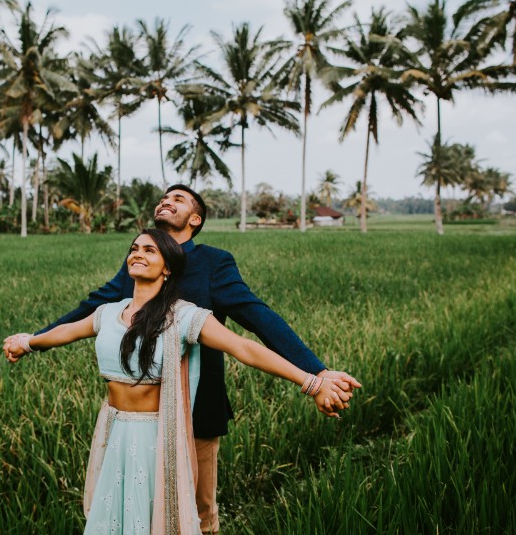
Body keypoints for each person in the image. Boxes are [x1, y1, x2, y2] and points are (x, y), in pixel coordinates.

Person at [32, 184, 361, 532]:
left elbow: (257, 319)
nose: (166, 201)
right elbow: (92, 309)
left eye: (178, 199)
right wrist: (33, 340)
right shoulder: (140, 262)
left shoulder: (212, 263)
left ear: (195, 218)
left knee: (196, 508)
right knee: (135, 507)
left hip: (196, 404)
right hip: (132, 417)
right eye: (164, 197)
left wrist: (317, 373)